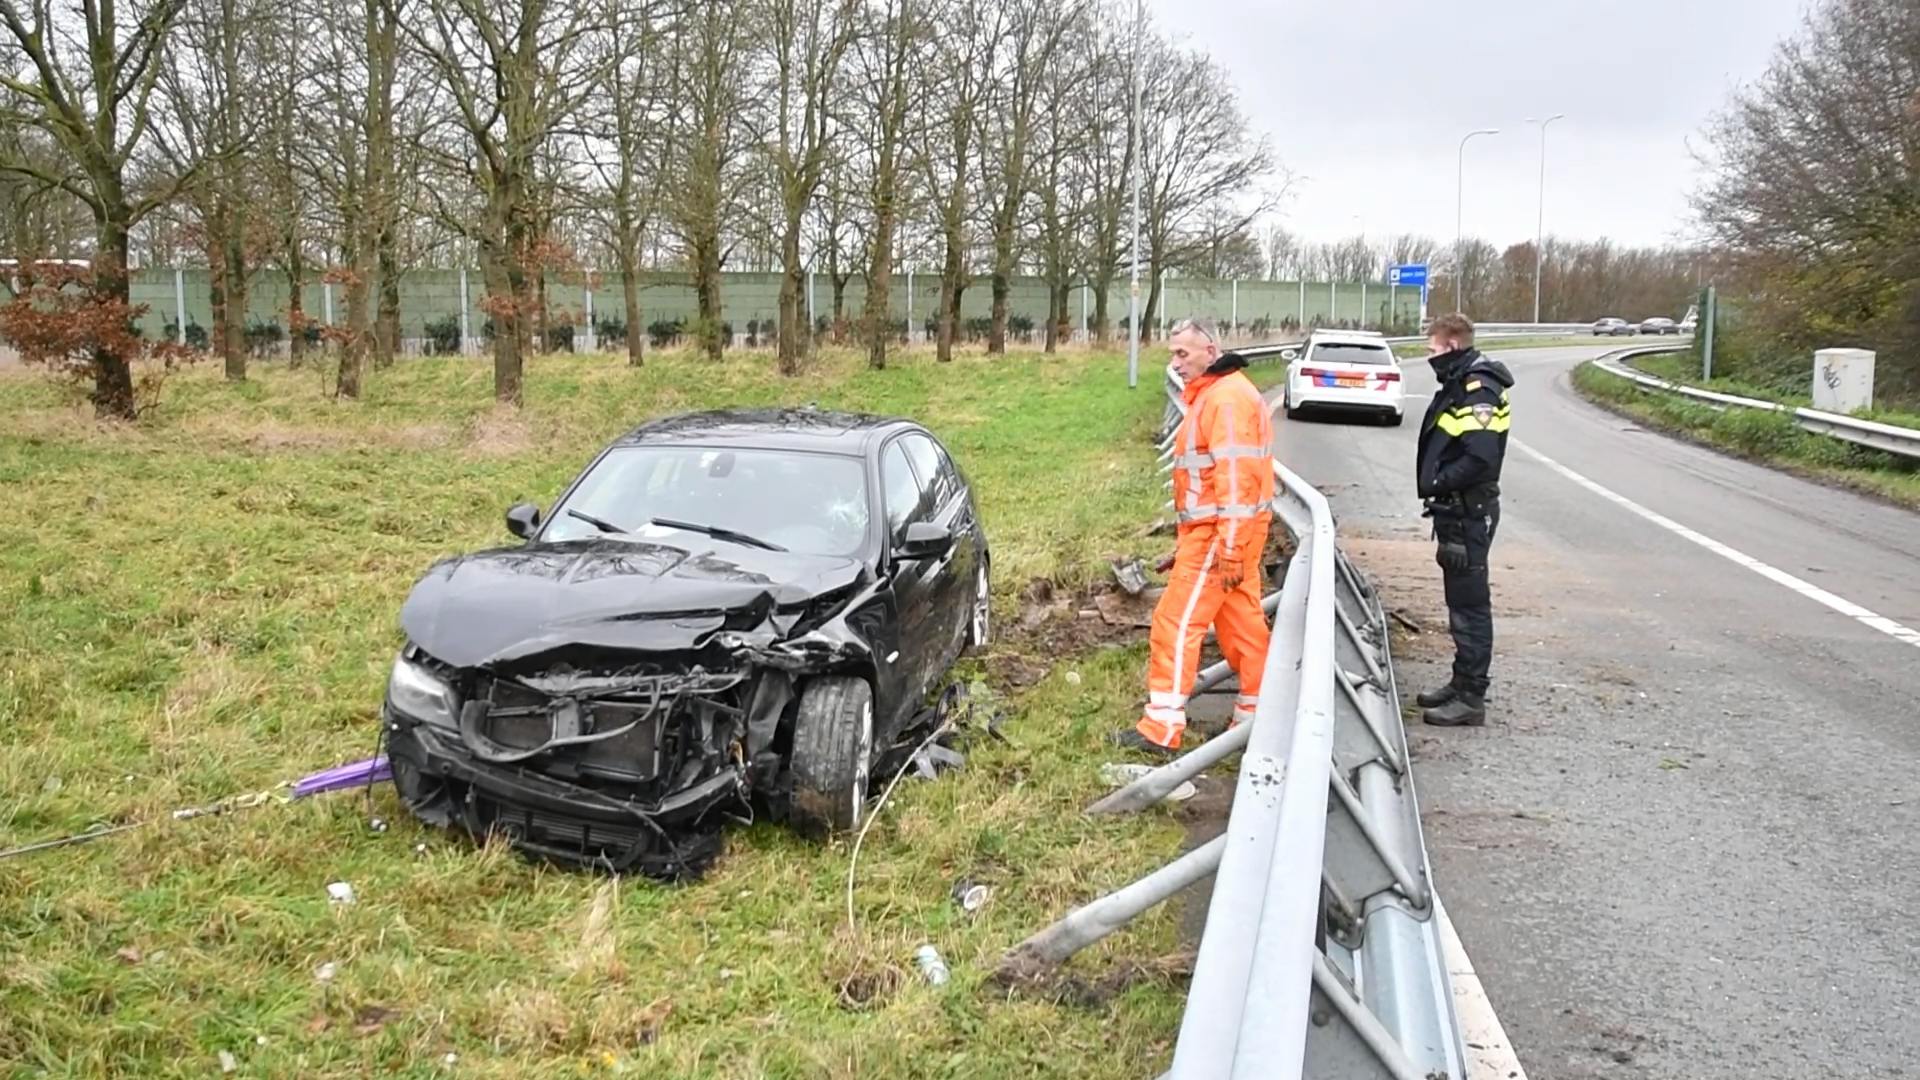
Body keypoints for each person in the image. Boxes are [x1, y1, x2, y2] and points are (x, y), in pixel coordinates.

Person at [1117, 318, 1276, 754]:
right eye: (1173, 353)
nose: (1175, 362)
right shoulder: (1224, 394)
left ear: (1211, 351)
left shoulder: (1224, 400)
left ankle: (1161, 729)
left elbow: (1235, 480)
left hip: (1219, 536)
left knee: (1176, 623)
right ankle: (1256, 717)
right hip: (1223, 534)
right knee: (1242, 624)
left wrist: (1225, 547)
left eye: (1182, 354)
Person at [1414, 313, 1513, 727]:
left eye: (1432, 349)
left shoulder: (1478, 389)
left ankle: (1472, 696)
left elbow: (1479, 457)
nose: (1429, 356)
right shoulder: (1459, 383)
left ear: (1452, 346)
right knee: (1459, 602)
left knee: (1470, 606)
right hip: (1456, 511)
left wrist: (1438, 482)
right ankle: (1461, 682)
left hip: (1468, 511)